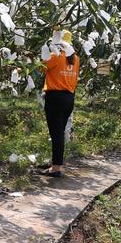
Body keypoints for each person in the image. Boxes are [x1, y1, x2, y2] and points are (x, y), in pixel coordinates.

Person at [36, 30, 79, 177]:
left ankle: (56, 168)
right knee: (59, 132)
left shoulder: (55, 56)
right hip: (69, 98)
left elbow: (41, 68)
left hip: (55, 97)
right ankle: (56, 163)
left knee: (56, 133)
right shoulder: (76, 58)